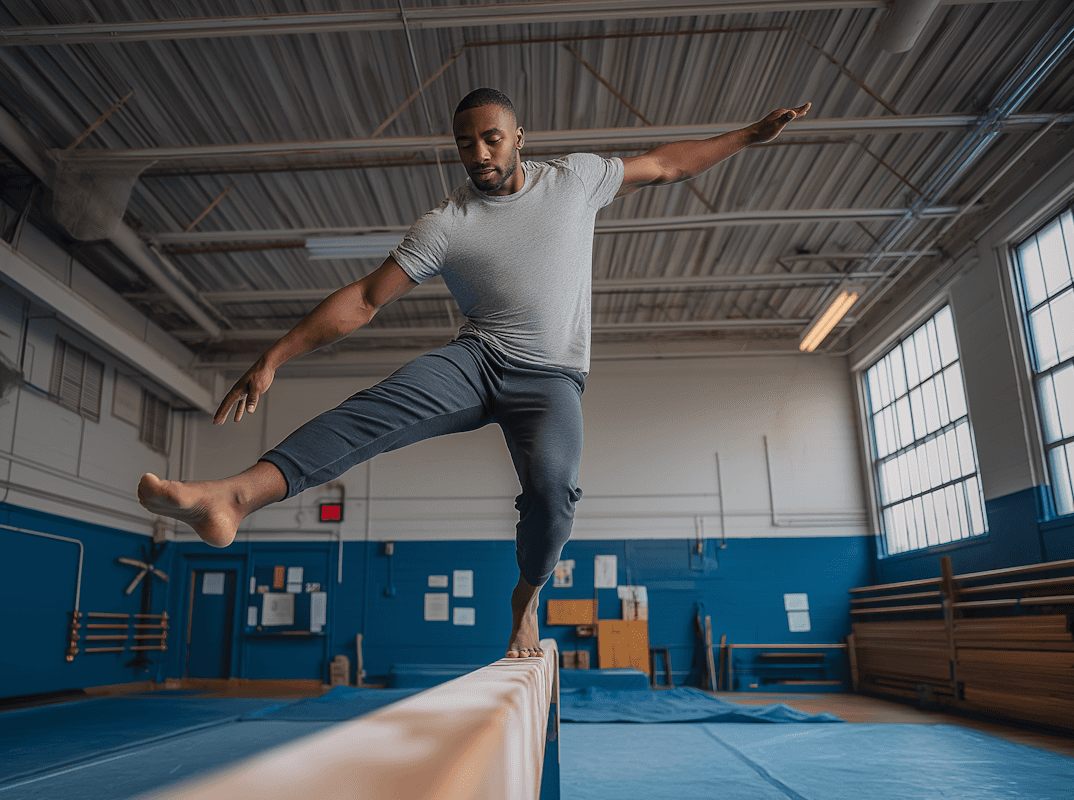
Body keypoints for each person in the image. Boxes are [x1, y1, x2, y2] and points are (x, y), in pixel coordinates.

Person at [138, 88, 810, 659]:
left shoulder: (574, 181)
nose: (480, 155)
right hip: (479, 359)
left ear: (520, 136)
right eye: (466, 144)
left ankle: (528, 592)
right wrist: (272, 359)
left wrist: (750, 134)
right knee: (373, 411)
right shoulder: (446, 224)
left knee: (553, 496)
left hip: (552, 382)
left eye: (491, 139)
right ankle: (233, 497)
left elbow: (665, 164)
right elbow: (366, 299)